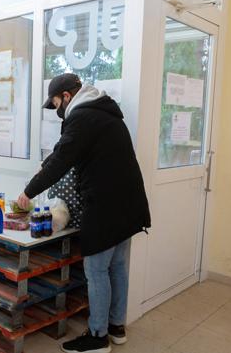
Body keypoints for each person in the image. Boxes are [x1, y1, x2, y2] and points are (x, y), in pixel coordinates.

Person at [17, 73, 151, 353]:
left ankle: (98, 336)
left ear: (67, 96)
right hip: (129, 202)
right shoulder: (103, 111)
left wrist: (27, 193)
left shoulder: (82, 117)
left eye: (56, 105)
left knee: (96, 269)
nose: (57, 112)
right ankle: (116, 327)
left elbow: (61, 162)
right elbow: (62, 150)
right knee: (117, 267)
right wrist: (46, 164)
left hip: (105, 204)